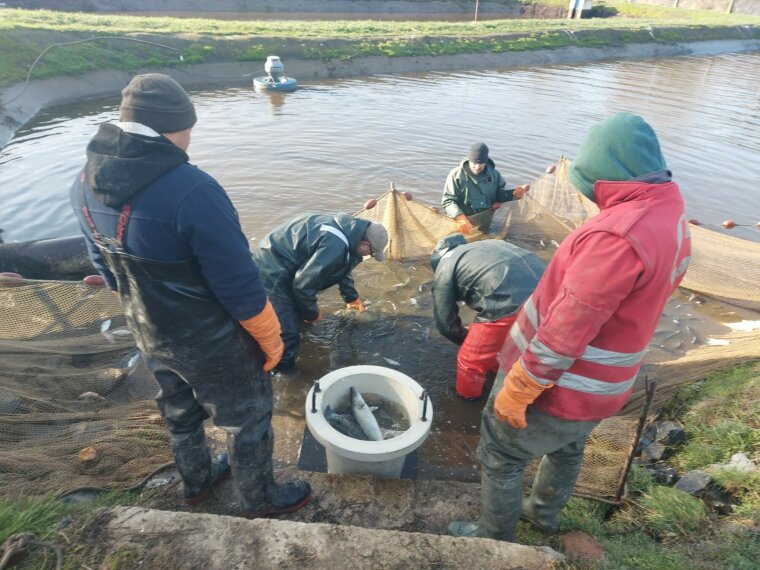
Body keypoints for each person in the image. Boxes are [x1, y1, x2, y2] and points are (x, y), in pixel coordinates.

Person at [69, 73, 311, 517]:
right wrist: (272, 341)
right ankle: (258, 499)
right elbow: (240, 288)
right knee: (248, 416)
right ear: (174, 126)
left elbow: (103, 266)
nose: (190, 140)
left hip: (148, 331)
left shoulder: (84, 180)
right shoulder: (193, 190)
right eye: (189, 130)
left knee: (179, 411)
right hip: (210, 342)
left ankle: (196, 483)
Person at [448, 112, 691, 542]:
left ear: (606, 179)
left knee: (500, 455)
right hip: (605, 388)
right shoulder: (670, 214)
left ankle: (493, 539)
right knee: (566, 447)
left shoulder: (617, 237)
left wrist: (520, 388)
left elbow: (565, 331)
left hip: (559, 385)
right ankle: (542, 514)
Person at [252, 213, 388, 373]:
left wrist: (351, 297)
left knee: (297, 311)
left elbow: (343, 266)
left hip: (287, 263)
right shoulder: (334, 245)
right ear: (365, 244)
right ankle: (283, 374)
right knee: (287, 332)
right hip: (272, 268)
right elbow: (302, 286)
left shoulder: (347, 231)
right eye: (371, 253)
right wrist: (312, 314)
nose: (369, 256)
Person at [430, 234, 545, 400]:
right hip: (552, 295)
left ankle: (468, 400)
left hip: (507, 301)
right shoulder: (488, 244)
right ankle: (501, 368)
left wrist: (466, 340)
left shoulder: (444, 267)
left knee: (470, 361)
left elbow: (445, 325)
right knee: (520, 344)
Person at [441, 143, 528, 234]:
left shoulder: (494, 175)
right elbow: (448, 201)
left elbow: (500, 195)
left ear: (486, 161)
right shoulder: (456, 174)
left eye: (481, 163)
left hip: (484, 221)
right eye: (474, 163)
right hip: (461, 221)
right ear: (469, 160)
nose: (477, 167)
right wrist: (460, 218)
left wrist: (513, 194)